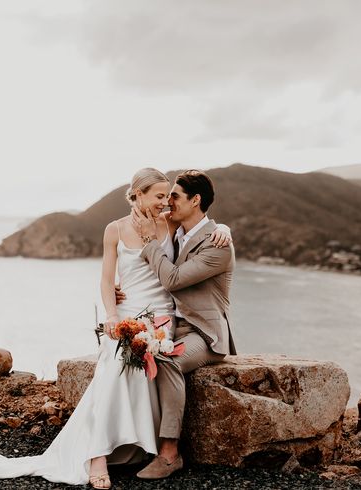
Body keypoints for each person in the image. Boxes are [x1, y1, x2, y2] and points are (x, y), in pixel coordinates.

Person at [0, 168, 231, 488]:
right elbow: (105, 279)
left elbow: (198, 223)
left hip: (161, 318)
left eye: (168, 196)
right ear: (138, 195)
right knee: (116, 360)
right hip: (126, 312)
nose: (165, 202)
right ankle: (97, 454)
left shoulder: (169, 223)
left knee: (137, 360)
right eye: (159, 196)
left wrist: (223, 227)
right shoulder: (114, 229)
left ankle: (115, 447)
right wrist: (112, 315)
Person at [132, 169, 236, 480]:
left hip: (205, 334)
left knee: (166, 358)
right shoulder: (178, 228)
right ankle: (135, 442)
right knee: (133, 351)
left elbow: (173, 279)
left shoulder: (218, 244)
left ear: (196, 200)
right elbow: (142, 210)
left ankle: (169, 453)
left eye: (175, 196)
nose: (168, 201)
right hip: (173, 324)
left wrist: (150, 243)